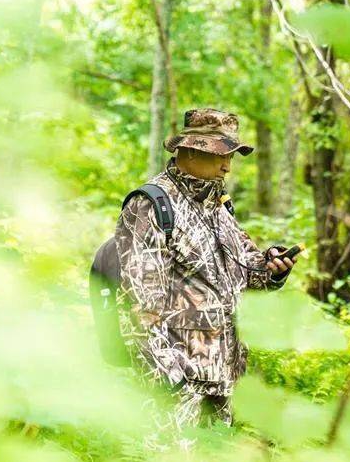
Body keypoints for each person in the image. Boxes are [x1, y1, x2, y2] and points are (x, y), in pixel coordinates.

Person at [114, 108, 297, 439]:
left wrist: (272, 269)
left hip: (224, 382)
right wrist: (169, 384)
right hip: (177, 389)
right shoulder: (150, 205)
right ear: (191, 149)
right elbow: (137, 306)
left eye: (231, 156)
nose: (227, 165)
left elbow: (248, 272)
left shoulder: (218, 206)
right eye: (220, 155)